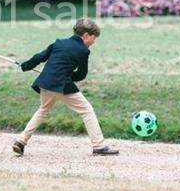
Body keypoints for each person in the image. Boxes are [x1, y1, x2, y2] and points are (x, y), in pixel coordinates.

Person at [13, 18, 118, 156]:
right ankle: (99, 145)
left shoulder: (59, 43)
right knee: (87, 110)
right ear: (86, 35)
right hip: (61, 85)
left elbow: (40, 57)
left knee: (43, 110)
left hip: (45, 83)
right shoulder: (83, 51)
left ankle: (21, 141)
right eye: (93, 38)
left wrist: (25, 66)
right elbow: (81, 74)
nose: (93, 42)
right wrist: (67, 76)